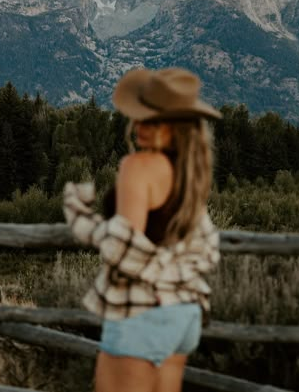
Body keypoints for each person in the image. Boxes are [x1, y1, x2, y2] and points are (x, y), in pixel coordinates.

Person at [63, 67, 222, 392]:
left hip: (143, 313)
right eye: (138, 117)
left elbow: (124, 246)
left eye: (152, 120)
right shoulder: (190, 175)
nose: (138, 127)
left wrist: (81, 219)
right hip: (183, 314)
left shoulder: (139, 166)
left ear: (175, 127)